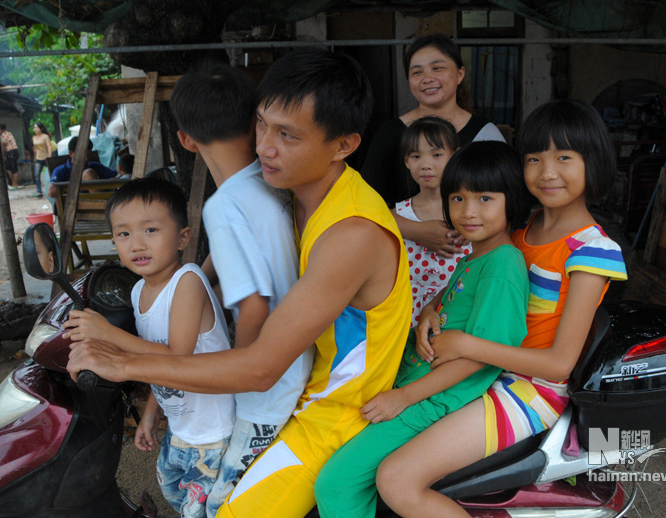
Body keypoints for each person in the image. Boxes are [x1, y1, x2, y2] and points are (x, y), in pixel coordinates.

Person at [66, 47, 412, 518]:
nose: (264, 145)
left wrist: (125, 363)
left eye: (287, 135)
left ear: (343, 145)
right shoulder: (289, 190)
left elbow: (259, 369)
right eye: (262, 123)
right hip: (296, 387)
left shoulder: (349, 235)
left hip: (333, 411)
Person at [375, 99, 629, 518]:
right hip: (482, 369)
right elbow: (470, 275)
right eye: (534, 158)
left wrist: (466, 345)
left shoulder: (592, 251)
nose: (547, 172)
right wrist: (432, 310)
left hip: (528, 390)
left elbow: (558, 364)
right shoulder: (522, 230)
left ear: (594, 161)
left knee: (396, 478)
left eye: (564, 157)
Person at [314, 141, 531, 518]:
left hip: (432, 401)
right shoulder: (477, 256)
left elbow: (480, 357)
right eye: (458, 199)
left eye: (485, 199)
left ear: (511, 199)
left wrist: (405, 398)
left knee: (336, 483)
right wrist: (428, 312)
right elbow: (449, 296)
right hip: (416, 385)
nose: (468, 212)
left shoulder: (502, 266)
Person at [170, 62, 314, 517]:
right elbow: (245, 251)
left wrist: (240, 373)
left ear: (186, 140)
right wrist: (199, 277)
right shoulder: (270, 182)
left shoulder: (224, 208)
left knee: (222, 506)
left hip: (266, 393)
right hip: (300, 362)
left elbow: (254, 307)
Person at [62, 176, 235, 517]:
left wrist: (108, 334)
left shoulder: (187, 281)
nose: (137, 244)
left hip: (213, 435)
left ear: (183, 237)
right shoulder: (139, 291)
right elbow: (152, 357)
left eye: (151, 230)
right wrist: (152, 413)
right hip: (182, 428)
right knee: (173, 490)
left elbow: (177, 360)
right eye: (124, 234)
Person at [362, 34, 506, 258]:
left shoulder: (485, 135)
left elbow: (506, 203)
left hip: (472, 260)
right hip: (404, 263)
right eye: (417, 72)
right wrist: (415, 230)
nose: (427, 78)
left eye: (437, 68)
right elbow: (364, 203)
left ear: (460, 74)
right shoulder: (391, 134)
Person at [395, 116, 470, 326]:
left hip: (456, 312)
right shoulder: (398, 213)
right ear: (406, 161)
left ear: (455, 155)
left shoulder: (470, 210)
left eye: (436, 154)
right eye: (416, 156)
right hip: (407, 316)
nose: (426, 165)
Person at [47, 136, 117, 198]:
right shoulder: (61, 170)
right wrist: (81, 184)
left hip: (100, 206)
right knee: (88, 174)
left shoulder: (96, 167)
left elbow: (117, 176)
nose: (86, 159)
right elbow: (51, 192)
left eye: (88, 155)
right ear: (71, 153)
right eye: (83, 155)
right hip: (73, 209)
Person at [31, 122, 52, 197]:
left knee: (50, 174)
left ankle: (52, 188)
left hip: (46, 158)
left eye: (37, 128)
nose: (35, 129)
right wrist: (34, 157)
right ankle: (39, 191)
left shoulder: (45, 136)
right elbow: (35, 148)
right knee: (36, 175)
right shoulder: (33, 137)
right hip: (38, 159)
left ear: (41, 128)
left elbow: (49, 147)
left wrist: (49, 157)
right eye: (34, 128)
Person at [0, 123, 19, 189]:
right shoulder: (9, 133)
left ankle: (15, 183)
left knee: (13, 168)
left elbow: (4, 148)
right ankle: (13, 182)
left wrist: (4, 154)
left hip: (11, 151)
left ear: (0, 129)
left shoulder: (2, 137)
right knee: (8, 168)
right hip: (14, 151)